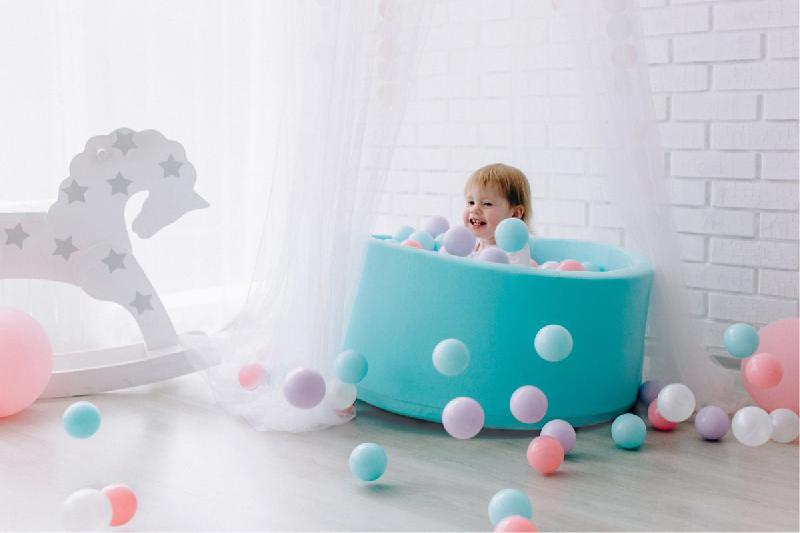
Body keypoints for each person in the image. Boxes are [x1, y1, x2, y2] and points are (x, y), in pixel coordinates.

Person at [463, 163, 532, 264]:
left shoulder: (514, 248)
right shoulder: (470, 243)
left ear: (515, 214)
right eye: (471, 202)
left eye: (487, 204)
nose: (474, 209)